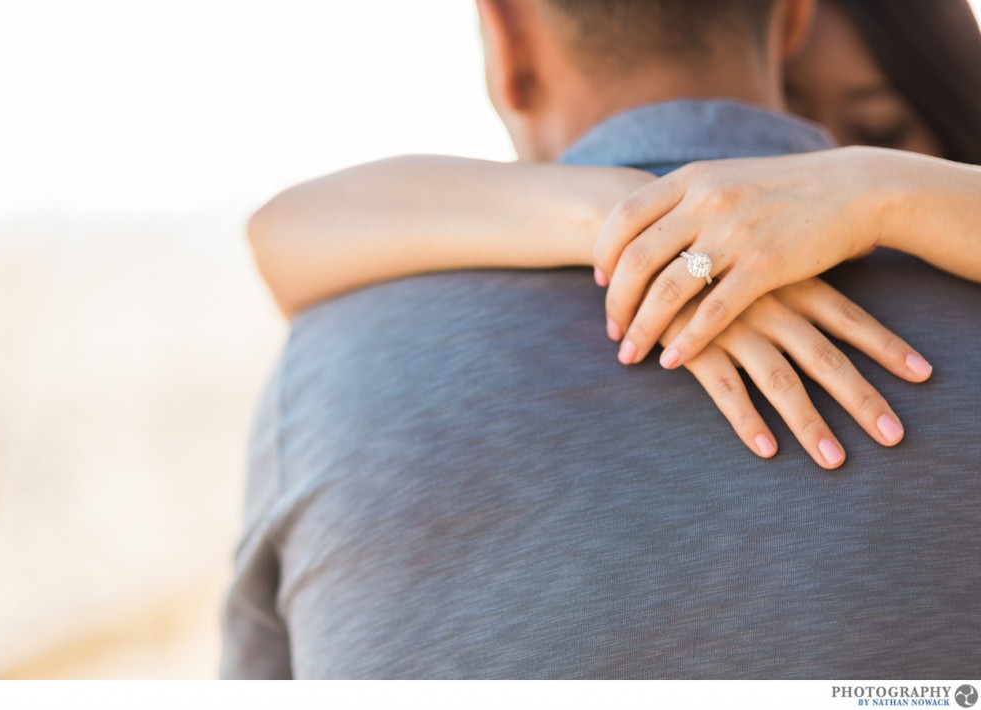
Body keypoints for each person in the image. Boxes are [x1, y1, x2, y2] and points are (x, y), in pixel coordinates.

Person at [222, 0, 981, 678]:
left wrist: (879, 193)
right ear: (790, 21)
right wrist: (635, 224)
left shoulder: (329, 368)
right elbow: (281, 232)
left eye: (881, 135)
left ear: (507, 39)